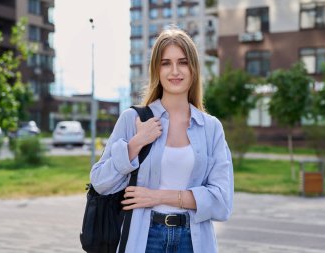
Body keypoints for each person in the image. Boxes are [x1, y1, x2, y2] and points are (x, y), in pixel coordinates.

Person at [90, 27, 234, 253]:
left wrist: (156, 197)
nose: (174, 71)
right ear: (156, 69)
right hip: (144, 238)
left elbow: (222, 202)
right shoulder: (133, 119)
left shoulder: (211, 128)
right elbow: (100, 181)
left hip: (194, 240)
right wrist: (136, 143)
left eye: (183, 62)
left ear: (193, 68)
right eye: (166, 63)